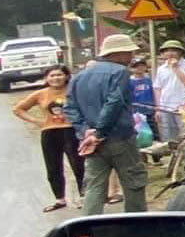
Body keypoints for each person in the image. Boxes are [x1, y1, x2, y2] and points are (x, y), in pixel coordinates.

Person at [64, 34, 147, 215]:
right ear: (118, 53)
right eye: (129, 52)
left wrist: (86, 131)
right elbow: (114, 103)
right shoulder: (120, 72)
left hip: (90, 143)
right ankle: (138, 225)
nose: (132, 56)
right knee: (133, 182)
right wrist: (99, 132)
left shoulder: (79, 76)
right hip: (119, 137)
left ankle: (87, 227)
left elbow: (69, 107)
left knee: (95, 186)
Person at [12, 65, 84, 213]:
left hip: (71, 131)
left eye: (59, 75)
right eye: (52, 76)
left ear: (66, 76)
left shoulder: (74, 91)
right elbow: (18, 109)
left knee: (78, 164)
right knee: (53, 167)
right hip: (50, 132)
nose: (56, 78)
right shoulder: (40, 94)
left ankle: (84, 197)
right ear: (46, 78)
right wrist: (37, 121)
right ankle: (59, 199)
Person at [153, 39, 185, 141]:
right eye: (166, 51)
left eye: (173, 50)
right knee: (168, 138)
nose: (170, 53)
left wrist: (176, 68)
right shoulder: (161, 69)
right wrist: (158, 108)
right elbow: (158, 88)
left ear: (180, 52)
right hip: (165, 107)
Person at [128, 57, 159, 141]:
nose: (139, 68)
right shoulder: (129, 81)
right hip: (136, 113)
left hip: (149, 112)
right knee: (139, 135)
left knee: (154, 134)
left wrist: (156, 108)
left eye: (142, 66)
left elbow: (155, 94)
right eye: (136, 66)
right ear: (131, 68)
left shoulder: (149, 80)